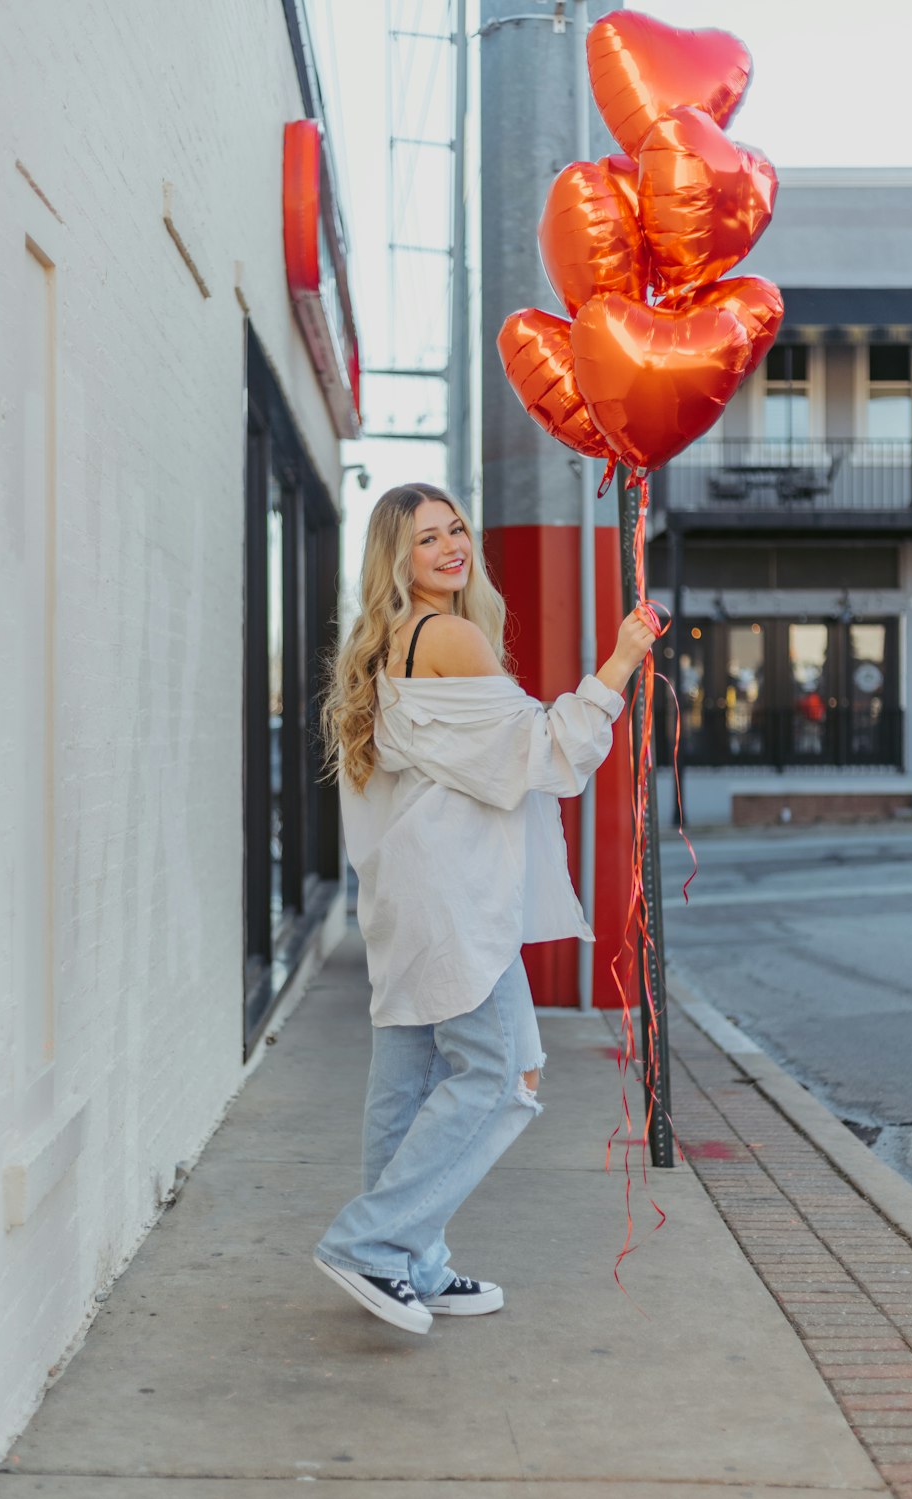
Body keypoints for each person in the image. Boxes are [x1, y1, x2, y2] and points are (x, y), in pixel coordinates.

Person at [314, 481, 656, 1335]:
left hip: (409, 895)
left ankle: (413, 1262)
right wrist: (619, 660)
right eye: (427, 540)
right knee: (507, 1074)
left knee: (408, 1082)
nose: (451, 547)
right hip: (456, 897)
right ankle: (372, 1242)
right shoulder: (451, 636)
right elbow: (547, 753)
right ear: (400, 560)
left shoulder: (387, 642)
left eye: (456, 528)